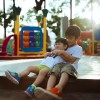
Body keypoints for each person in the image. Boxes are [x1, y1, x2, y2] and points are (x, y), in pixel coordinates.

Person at [34, 25, 83, 100]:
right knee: (54, 71)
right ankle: (48, 90)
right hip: (59, 65)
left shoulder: (78, 48)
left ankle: (58, 88)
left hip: (70, 66)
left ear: (77, 38)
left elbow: (71, 60)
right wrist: (49, 54)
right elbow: (55, 54)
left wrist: (61, 52)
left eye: (70, 38)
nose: (68, 40)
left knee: (65, 70)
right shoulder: (64, 46)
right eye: (67, 37)